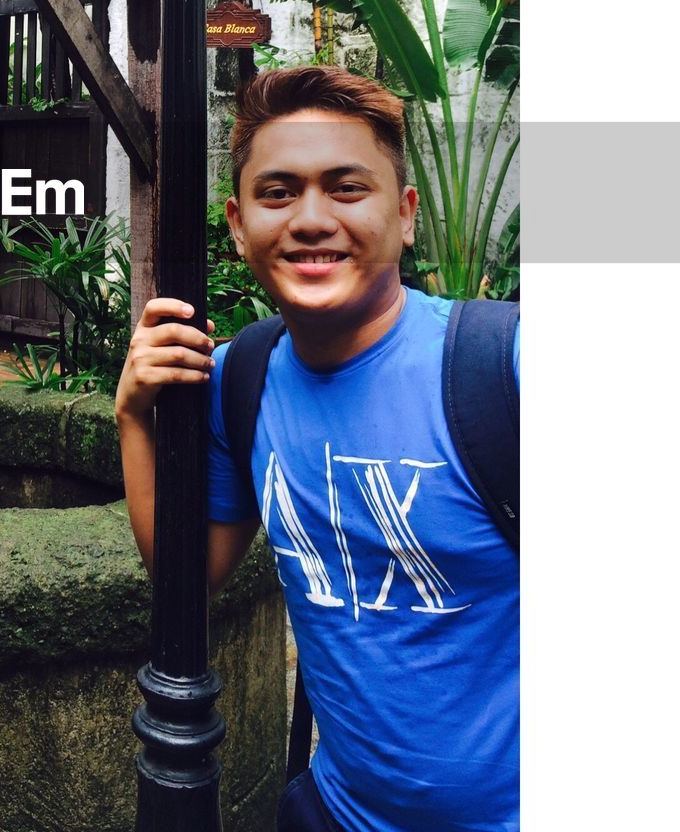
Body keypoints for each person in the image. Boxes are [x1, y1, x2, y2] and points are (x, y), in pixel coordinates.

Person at [114, 65, 518, 832]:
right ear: (238, 225)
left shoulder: (504, 368)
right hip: (337, 810)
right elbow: (188, 576)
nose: (309, 218)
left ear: (403, 216)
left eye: (345, 187)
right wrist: (135, 419)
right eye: (278, 193)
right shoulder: (241, 376)